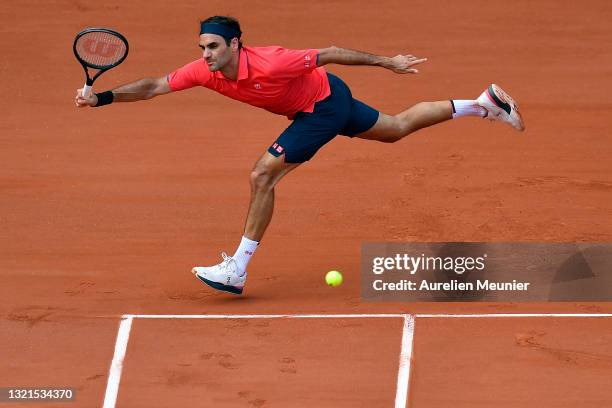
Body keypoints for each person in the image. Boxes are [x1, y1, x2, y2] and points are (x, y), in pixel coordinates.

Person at [75, 15, 525, 295]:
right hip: (329, 101)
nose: (206, 54)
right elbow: (154, 85)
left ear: (236, 44)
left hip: (320, 107)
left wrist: (387, 61)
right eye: (202, 47)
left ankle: (237, 269)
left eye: (213, 46)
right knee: (395, 128)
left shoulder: (272, 61)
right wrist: (103, 99)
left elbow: (328, 52)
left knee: (262, 175)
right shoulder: (204, 72)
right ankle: (481, 103)